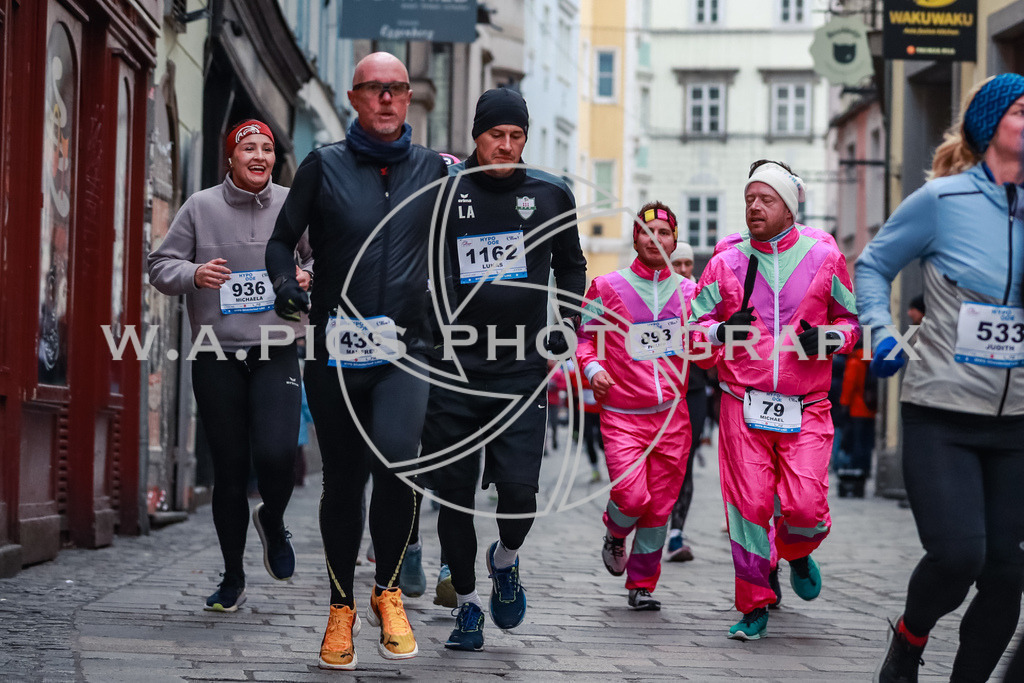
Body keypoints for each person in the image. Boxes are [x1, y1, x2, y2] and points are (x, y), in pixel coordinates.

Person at [265, 52, 449, 670]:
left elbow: (463, 245)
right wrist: (286, 287)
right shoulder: (324, 166)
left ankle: (388, 591)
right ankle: (341, 606)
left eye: (397, 88)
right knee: (344, 480)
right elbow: (280, 241)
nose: (387, 98)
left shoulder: (434, 170)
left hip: (407, 350)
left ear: (409, 97)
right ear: (354, 98)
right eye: (375, 89)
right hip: (335, 349)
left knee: (398, 463)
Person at [856, 73, 1024, 683]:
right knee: (958, 557)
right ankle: (909, 638)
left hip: (1018, 421)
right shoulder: (942, 200)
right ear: (989, 125)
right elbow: (872, 265)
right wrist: (880, 331)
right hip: (941, 411)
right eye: (1021, 110)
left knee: (1008, 572)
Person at [416, 87, 586, 652]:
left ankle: (506, 558)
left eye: (516, 136)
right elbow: (417, 263)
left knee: (519, 495)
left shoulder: (550, 194)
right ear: (477, 136)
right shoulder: (446, 191)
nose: (506, 145)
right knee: (455, 495)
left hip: (520, 368)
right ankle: (467, 606)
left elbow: (572, 267)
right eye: (496, 135)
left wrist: (567, 324)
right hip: (453, 369)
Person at [690, 161, 859, 640]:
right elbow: (693, 330)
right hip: (741, 402)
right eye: (750, 200)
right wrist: (721, 332)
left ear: (789, 208)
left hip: (807, 405)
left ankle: (796, 551)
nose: (755, 208)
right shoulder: (725, 263)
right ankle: (754, 605)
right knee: (748, 508)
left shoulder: (825, 257)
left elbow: (851, 323)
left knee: (806, 509)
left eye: (766, 200)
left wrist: (828, 338)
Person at [148, 119, 312, 612]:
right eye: (249, 148)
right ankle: (233, 577)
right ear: (231, 158)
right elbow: (160, 265)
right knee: (230, 469)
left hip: (277, 346)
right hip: (216, 352)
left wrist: (307, 275)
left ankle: (273, 520)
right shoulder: (200, 207)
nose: (259, 156)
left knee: (278, 453)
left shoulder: (292, 203)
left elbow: (325, 258)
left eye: (267, 148)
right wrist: (195, 273)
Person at [577, 202, 698, 610]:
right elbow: (584, 338)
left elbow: (706, 342)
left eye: (664, 233)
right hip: (623, 417)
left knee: (660, 507)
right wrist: (593, 368)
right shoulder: (607, 287)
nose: (656, 239)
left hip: (673, 419)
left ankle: (642, 584)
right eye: (648, 232)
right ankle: (615, 532)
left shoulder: (690, 293)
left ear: (674, 241)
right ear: (635, 238)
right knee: (631, 498)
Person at [666, 242, 707, 562]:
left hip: (693, 391)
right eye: (676, 264)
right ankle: (650, 524)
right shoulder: (656, 296)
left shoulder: (702, 299)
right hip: (659, 392)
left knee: (685, 461)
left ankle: (676, 533)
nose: (682, 270)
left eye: (687, 264)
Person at [835, 341, 875, 498]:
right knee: (866, 444)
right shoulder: (871, 359)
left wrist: (843, 404)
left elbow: (849, 385)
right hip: (870, 410)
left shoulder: (854, 362)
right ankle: (864, 472)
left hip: (856, 408)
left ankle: (854, 473)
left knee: (855, 444)